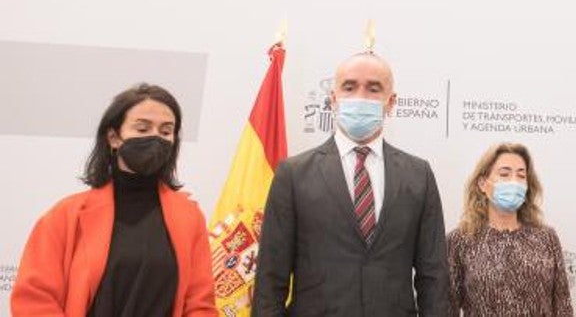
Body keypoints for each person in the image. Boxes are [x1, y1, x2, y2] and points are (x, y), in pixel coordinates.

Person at [254, 51, 450, 316]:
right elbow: (270, 277)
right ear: (333, 99)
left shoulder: (419, 175)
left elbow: (433, 277)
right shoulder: (294, 174)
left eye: (373, 88)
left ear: (391, 102)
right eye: (349, 87)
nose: (361, 97)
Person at [11, 83, 215, 316]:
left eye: (166, 131)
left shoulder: (189, 216)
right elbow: (33, 300)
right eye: (142, 129)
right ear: (114, 137)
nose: (155, 137)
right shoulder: (66, 215)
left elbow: (200, 305)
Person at [446, 142, 573, 317]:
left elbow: (562, 306)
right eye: (504, 174)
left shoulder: (546, 237)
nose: (514, 182)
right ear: (483, 183)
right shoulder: (460, 239)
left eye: (521, 176)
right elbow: (447, 307)